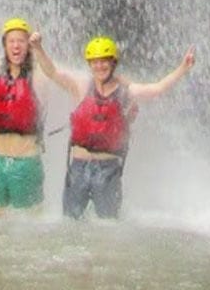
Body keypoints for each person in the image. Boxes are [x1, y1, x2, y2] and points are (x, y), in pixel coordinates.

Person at [31, 33, 195, 220]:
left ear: (113, 63)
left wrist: (182, 68)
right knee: (70, 222)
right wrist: (38, 48)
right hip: (78, 167)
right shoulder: (81, 86)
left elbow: (156, 89)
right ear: (90, 64)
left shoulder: (126, 91)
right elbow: (52, 72)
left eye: (104, 62)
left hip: (108, 169)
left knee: (107, 224)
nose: (99, 66)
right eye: (95, 62)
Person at [0, 18, 47, 216]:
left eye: (21, 41)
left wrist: (39, 49)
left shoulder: (37, 75)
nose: (16, 45)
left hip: (26, 159)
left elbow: (53, 73)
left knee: (31, 219)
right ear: (4, 45)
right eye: (11, 41)